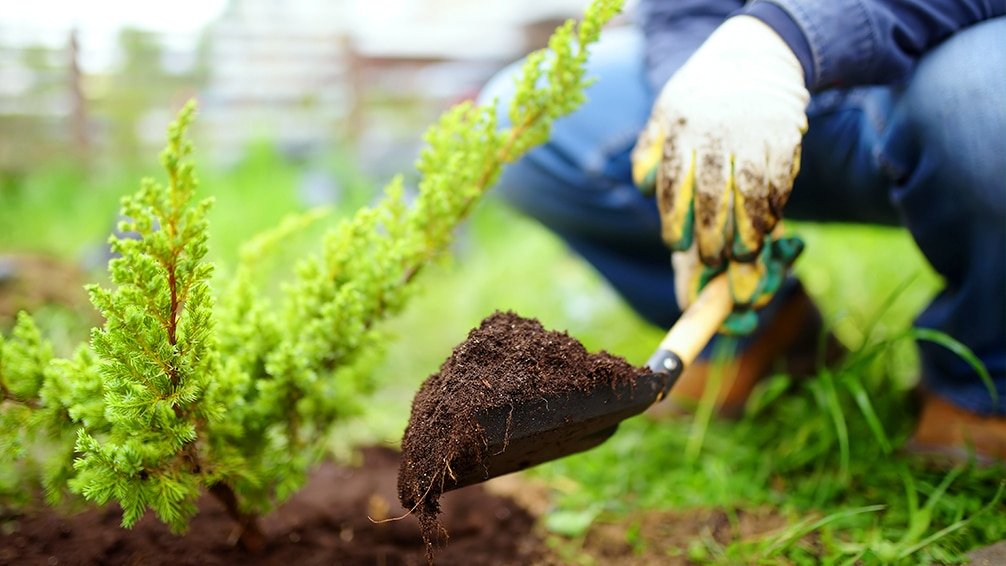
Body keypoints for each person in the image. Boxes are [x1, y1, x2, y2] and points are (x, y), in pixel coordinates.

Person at [479, 1, 1006, 460]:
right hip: (760, 78)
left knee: (987, 93)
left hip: (943, 71)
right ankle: (761, 331)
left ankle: (984, 381)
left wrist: (788, 33)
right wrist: (703, 107)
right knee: (522, 115)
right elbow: (682, 12)